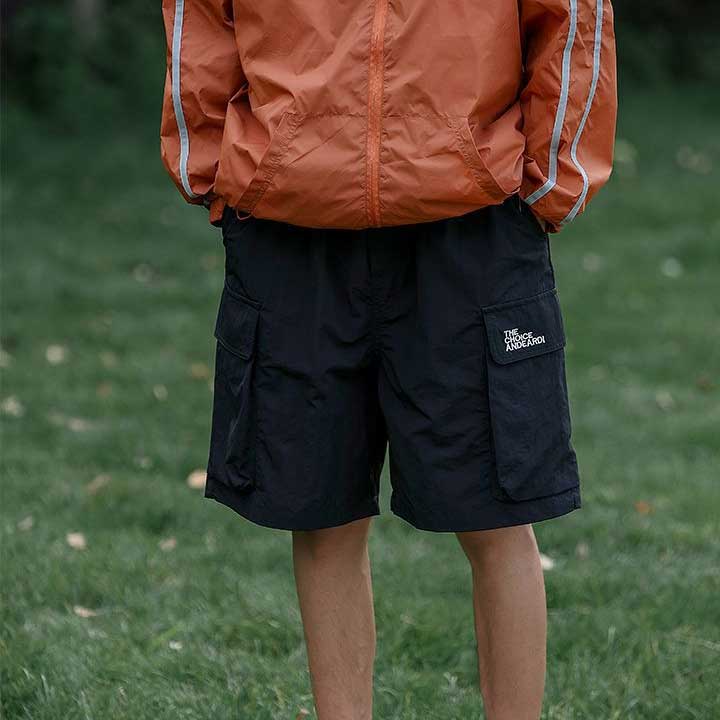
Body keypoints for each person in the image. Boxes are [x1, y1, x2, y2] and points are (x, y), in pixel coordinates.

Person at [160, 1, 616, 717]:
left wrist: (554, 177)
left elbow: (572, 15)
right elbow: (201, 16)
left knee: (498, 515)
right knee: (321, 516)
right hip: (291, 219)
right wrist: (217, 165)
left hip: (471, 221)